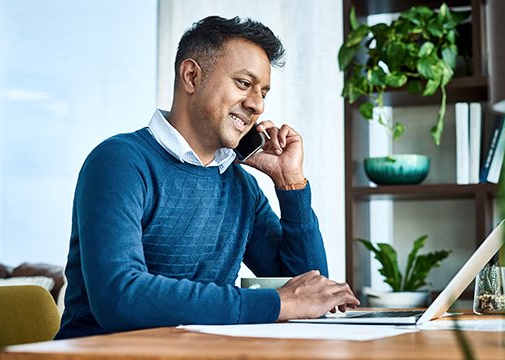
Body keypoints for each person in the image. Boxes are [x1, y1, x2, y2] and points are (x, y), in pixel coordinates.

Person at [55, 15, 359, 340]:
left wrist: (291, 183)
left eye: (263, 93)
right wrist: (278, 303)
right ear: (191, 76)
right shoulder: (120, 162)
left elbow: (307, 291)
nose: (256, 104)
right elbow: (120, 297)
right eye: (244, 83)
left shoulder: (240, 186)